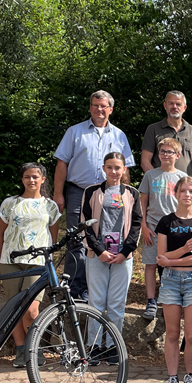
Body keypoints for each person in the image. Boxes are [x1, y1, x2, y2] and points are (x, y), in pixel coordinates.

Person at [53, 90, 135, 302]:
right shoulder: (75, 132)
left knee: (103, 237)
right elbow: (62, 163)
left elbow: (125, 169)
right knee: (77, 239)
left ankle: (93, 289)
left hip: (110, 194)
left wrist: (125, 197)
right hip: (78, 191)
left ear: (111, 109)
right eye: (96, 105)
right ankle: (73, 289)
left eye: (104, 106)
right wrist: (58, 194)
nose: (100, 109)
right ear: (90, 107)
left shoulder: (119, 135)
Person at [0, 163, 61, 368]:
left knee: (31, 310)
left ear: (43, 179)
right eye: (27, 177)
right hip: (10, 262)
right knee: (13, 308)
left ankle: (35, 348)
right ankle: (21, 350)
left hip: (37, 264)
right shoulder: (10, 203)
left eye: (35, 176)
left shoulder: (50, 206)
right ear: (21, 179)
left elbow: (53, 237)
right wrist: (0, 260)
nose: (31, 180)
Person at [81, 152, 143, 365]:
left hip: (122, 256)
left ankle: (113, 345)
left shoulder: (132, 193)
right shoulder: (91, 192)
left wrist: (125, 252)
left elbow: (136, 225)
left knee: (117, 303)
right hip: (97, 255)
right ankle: (95, 346)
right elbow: (85, 225)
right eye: (109, 167)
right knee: (96, 302)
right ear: (104, 168)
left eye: (118, 167)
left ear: (124, 169)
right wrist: (99, 251)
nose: (113, 171)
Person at [157, 176, 192, 383]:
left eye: (191, 191)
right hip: (170, 281)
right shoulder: (166, 222)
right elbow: (161, 257)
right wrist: (181, 251)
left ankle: (189, 378)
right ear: (175, 193)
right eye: (183, 191)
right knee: (171, 333)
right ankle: (171, 379)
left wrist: (172, 260)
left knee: (191, 334)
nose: (187, 195)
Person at [138, 138, 188, 320]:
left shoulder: (182, 177)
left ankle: (172, 300)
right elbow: (143, 201)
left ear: (178, 155)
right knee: (151, 264)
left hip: (174, 229)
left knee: (173, 265)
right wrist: (143, 226)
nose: (166, 155)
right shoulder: (150, 175)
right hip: (152, 227)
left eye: (170, 152)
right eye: (163, 152)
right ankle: (151, 301)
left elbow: (185, 203)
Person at [140, 90, 192, 175]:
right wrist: (156, 181)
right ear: (165, 106)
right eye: (171, 103)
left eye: (178, 104)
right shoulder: (153, 129)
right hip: (161, 185)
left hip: (185, 186)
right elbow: (145, 161)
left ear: (184, 108)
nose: (174, 107)